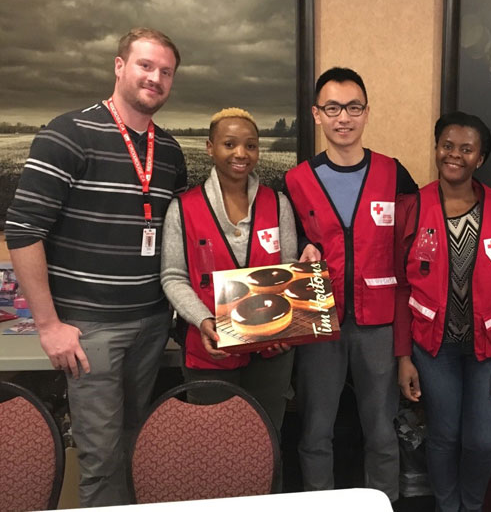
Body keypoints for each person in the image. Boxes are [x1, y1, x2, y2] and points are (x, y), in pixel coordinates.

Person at [6, 28, 186, 506]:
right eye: (146, 66)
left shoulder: (168, 152)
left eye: (166, 72)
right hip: (90, 332)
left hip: (151, 325)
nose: (155, 78)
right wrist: (47, 326)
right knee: (101, 460)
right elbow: (23, 231)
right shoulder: (67, 134)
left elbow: (179, 234)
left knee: (134, 443)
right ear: (119, 67)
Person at [284, 67, 418, 501]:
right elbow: (287, 239)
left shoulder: (393, 173)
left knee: (381, 430)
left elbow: (417, 239)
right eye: (333, 108)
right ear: (317, 114)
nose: (344, 117)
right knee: (315, 430)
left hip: (378, 323)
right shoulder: (295, 180)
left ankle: (384, 504)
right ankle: (317, 504)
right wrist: (302, 247)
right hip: (318, 320)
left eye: (354, 107)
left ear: (366, 113)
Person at [394, 112, 491, 511]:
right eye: (447, 146)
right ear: (436, 149)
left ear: (480, 159)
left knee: (484, 440)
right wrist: (403, 357)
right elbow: (400, 287)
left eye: (467, 149)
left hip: (489, 349)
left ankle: (472, 506)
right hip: (433, 350)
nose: (454, 155)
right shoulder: (412, 207)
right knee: (444, 436)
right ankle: (448, 507)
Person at [160, 107, 297, 433]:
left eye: (250, 145)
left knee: (267, 444)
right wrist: (203, 320)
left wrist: (289, 331)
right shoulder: (183, 208)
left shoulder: (278, 204)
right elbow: (173, 275)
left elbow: (289, 271)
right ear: (210, 147)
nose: (241, 153)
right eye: (230, 144)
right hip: (211, 350)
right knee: (215, 448)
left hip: (270, 355)